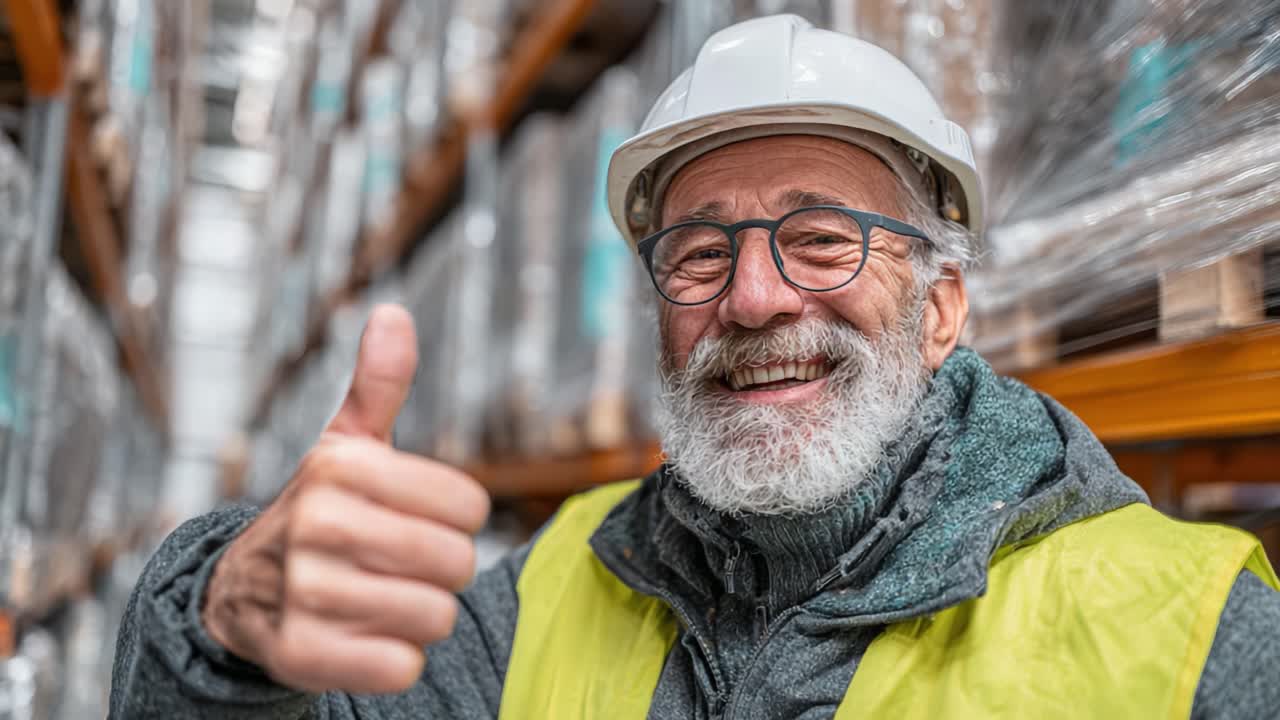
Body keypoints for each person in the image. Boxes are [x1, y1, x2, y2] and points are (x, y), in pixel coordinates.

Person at [110, 15, 1280, 719]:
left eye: (823, 239)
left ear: (940, 307)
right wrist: (219, 627)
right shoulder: (541, 598)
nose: (754, 296)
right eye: (699, 251)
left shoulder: (1190, 632)